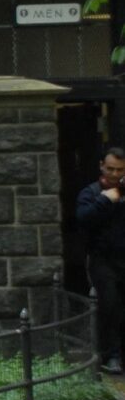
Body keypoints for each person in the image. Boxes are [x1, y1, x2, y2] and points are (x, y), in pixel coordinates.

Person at [75, 147, 125, 374]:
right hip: (102, 259)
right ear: (102, 166)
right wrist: (107, 200)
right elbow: (83, 220)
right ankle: (110, 355)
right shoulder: (91, 193)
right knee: (109, 305)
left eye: (120, 170)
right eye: (111, 168)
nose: (115, 174)